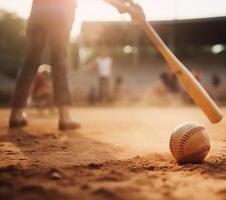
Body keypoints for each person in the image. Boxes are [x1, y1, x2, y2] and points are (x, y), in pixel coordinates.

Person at [9, 0, 145, 130]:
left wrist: (126, 5)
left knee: (31, 59)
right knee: (59, 58)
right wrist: (128, 4)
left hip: (39, 10)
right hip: (62, 9)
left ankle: (16, 114)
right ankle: (64, 117)